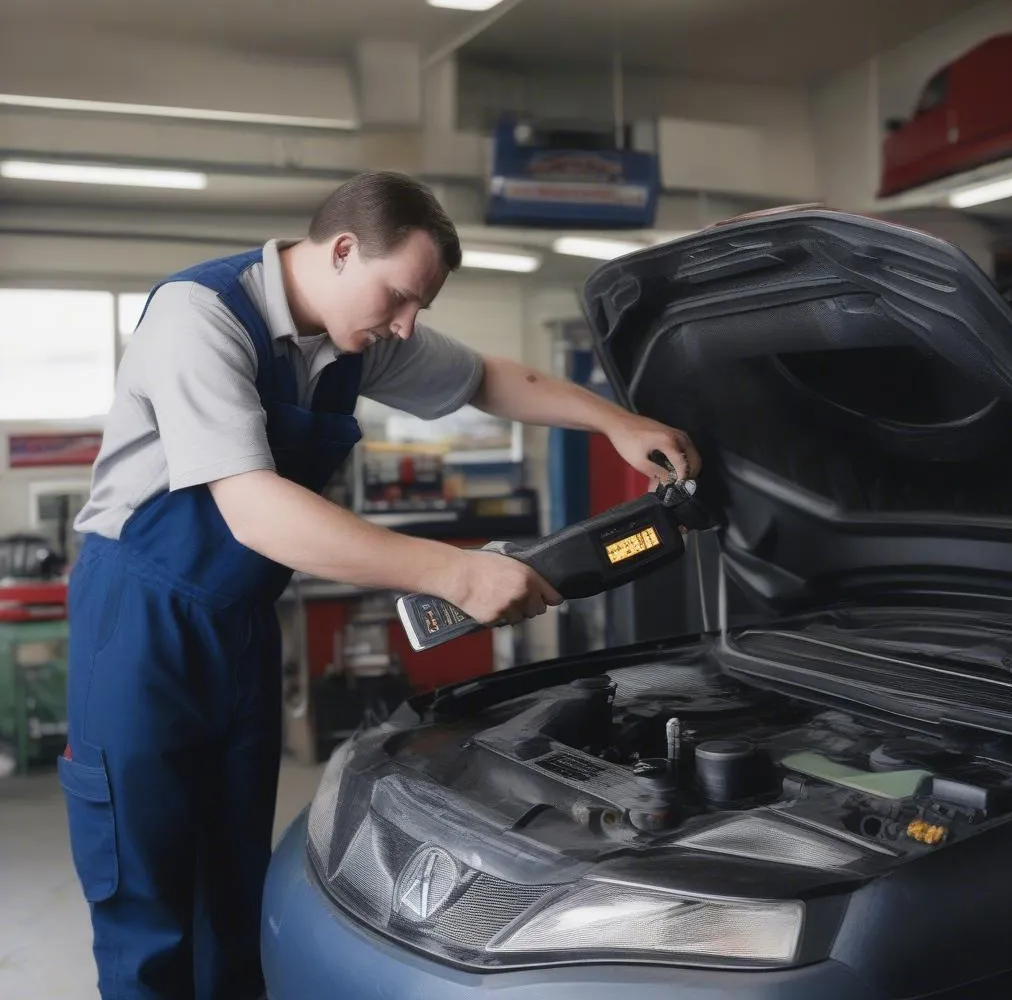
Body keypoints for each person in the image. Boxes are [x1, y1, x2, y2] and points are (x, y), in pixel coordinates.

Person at [60, 170, 700, 999]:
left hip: (242, 620)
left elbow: (485, 378)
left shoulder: (350, 338)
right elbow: (253, 510)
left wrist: (615, 421)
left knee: (232, 889)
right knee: (146, 898)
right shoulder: (199, 316)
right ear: (341, 249)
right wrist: (454, 570)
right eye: (400, 297)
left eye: (418, 309)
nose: (406, 324)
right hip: (139, 622)